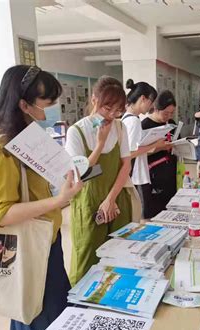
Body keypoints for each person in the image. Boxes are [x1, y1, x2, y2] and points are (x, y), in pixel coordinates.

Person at [0, 65, 83, 330]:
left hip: (45, 241)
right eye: (47, 102)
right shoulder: (2, 148)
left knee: (35, 314)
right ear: (23, 104)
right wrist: (57, 201)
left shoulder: (26, 135)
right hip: (27, 247)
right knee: (41, 321)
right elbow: (0, 213)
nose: (51, 108)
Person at [65, 76, 132, 284]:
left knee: (121, 254)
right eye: (107, 108)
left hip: (116, 198)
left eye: (118, 110)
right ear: (94, 100)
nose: (112, 115)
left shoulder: (121, 128)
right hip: (89, 202)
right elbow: (81, 173)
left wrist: (110, 200)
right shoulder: (76, 131)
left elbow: (125, 166)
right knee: (87, 257)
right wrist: (100, 144)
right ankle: (80, 309)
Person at [122, 79, 170, 219]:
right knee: (142, 215)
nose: (151, 106)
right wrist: (155, 145)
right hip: (136, 174)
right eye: (151, 101)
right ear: (143, 98)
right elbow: (130, 153)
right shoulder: (134, 121)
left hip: (134, 173)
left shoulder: (126, 118)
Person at [142, 90, 177, 216]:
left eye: (171, 113)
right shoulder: (145, 125)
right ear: (156, 109)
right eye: (166, 113)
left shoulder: (171, 124)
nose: (168, 116)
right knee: (155, 212)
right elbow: (137, 154)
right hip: (154, 176)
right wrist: (158, 148)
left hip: (171, 173)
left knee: (171, 209)